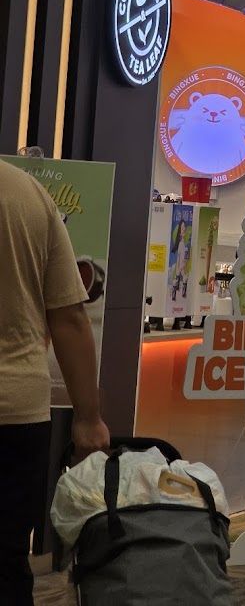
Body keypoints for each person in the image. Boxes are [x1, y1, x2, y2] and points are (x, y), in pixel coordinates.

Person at [0, 160, 110, 605]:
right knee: (5, 559)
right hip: (15, 413)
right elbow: (68, 316)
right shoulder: (26, 193)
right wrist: (88, 419)